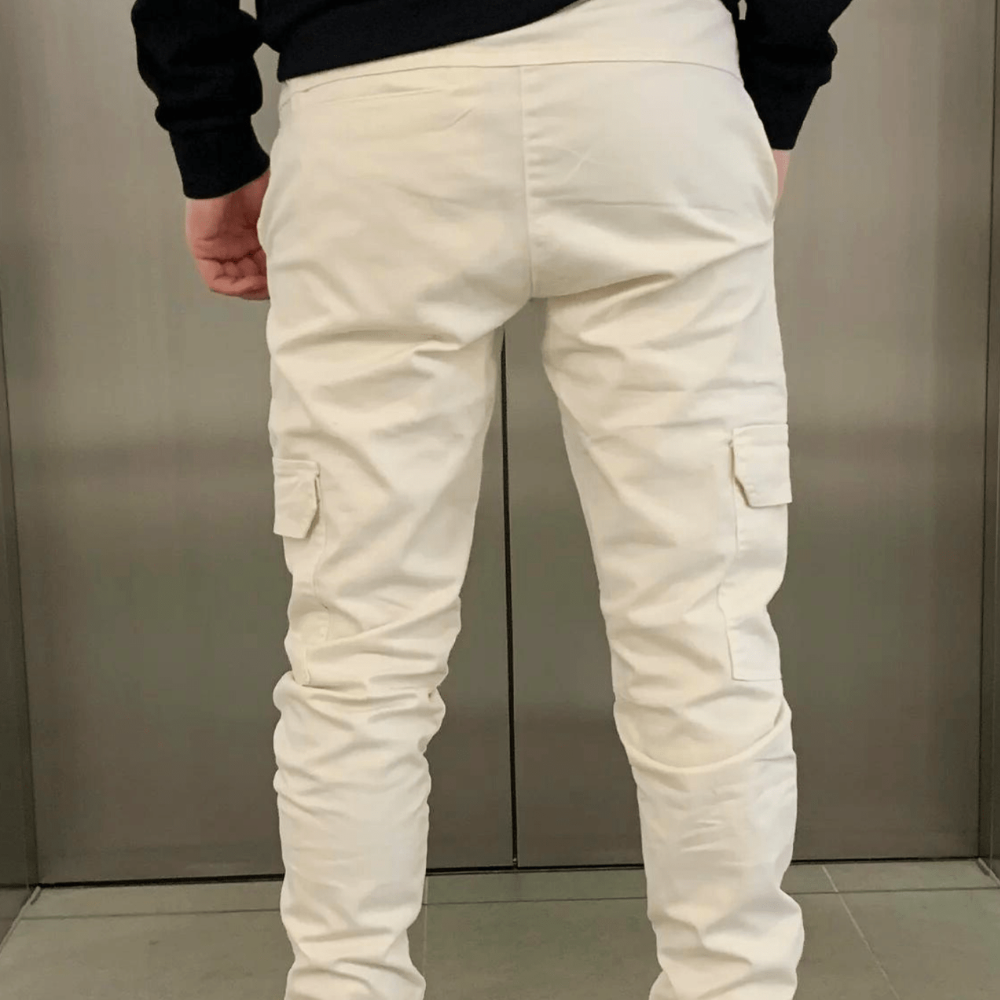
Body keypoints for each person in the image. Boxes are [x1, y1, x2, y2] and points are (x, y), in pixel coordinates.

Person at [130, 1, 851, 997]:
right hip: (652, 81)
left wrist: (211, 139)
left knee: (360, 643)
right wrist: (769, 90)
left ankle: (346, 983)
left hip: (373, 103)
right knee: (703, 626)